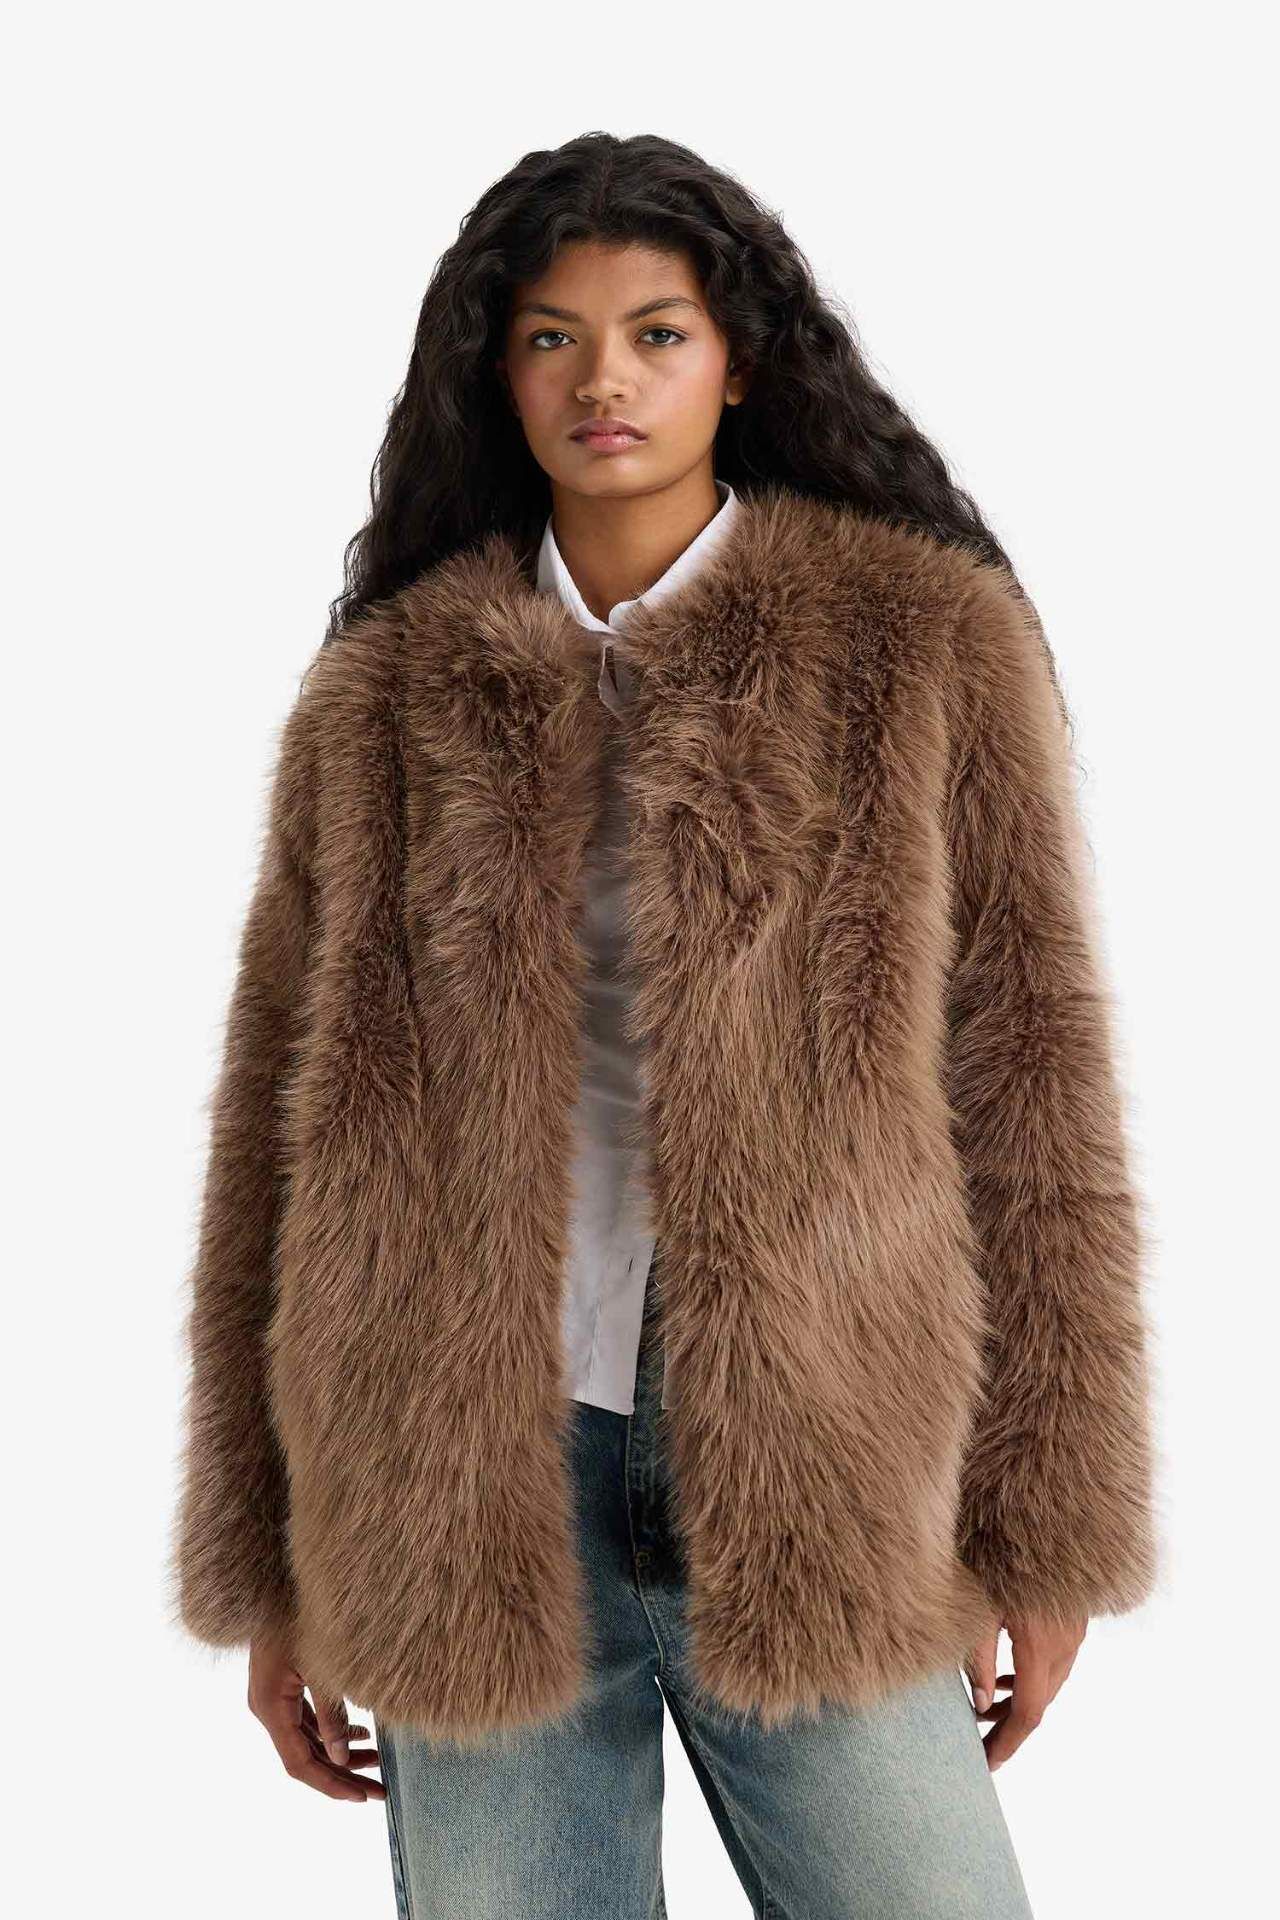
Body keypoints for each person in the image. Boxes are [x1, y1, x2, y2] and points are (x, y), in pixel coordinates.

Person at [169, 131, 1158, 1918]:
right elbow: (278, 1132)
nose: (602, 380)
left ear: (740, 361)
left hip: (826, 1451)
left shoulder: (922, 648)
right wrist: (274, 1567)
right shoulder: (386, 695)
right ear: (495, 373)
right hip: (464, 1477)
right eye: (550, 338)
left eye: (656, 333)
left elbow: (1034, 1094)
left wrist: (1044, 1523)